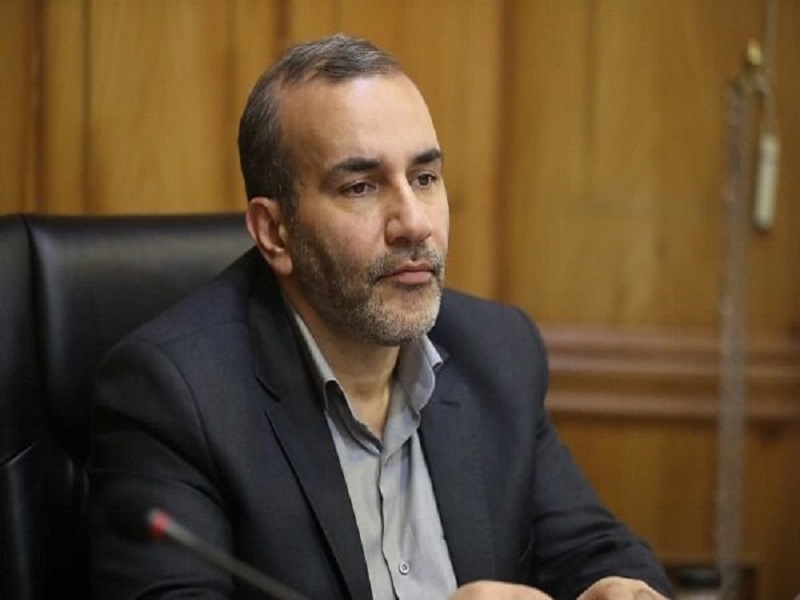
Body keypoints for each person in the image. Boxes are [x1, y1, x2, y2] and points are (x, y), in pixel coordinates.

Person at [88, 34, 673, 600]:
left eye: (424, 178)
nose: (414, 223)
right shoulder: (175, 396)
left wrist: (618, 588)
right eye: (361, 187)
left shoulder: (498, 353)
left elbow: (595, 549)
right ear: (275, 232)